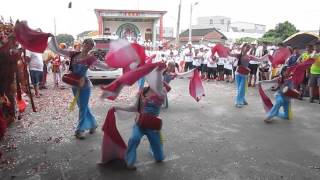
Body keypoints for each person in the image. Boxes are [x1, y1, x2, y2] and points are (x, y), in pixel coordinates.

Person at [48, 35, 108, 139]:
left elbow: (103, 66)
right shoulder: (73, 54)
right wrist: (53, 37)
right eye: (87, 45)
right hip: (74, 85)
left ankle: (79, 130)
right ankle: (93, 124)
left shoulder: (90, 59)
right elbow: (58, 50)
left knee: (83, 108)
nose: (88, 47)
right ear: (83, 44)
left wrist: (118, 64)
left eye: (91, 47)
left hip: (84, 85)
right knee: (82, 107)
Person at [114, 85, 166, 170]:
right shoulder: (143, 91)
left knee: (159, 158)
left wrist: (150, 98)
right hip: (140, 123)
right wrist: (118, 107)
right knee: (134, 139)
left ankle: (152, 149)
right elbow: (134, 107)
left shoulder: (161, 91)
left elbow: (161, 101)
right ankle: (130, 161)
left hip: (153, 126)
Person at [234, 43, 265, 108]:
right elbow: (228, 54)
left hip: (244, 74)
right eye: (246, 47)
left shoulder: (249, 56)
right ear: (243, 47)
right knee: (239, 88)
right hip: (238, 73)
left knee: (242, 88)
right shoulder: (238, 55)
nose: (248, 48)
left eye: (249, 47)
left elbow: (260, 59)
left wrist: (267, 56)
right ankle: (240, 100)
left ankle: (239, 101)